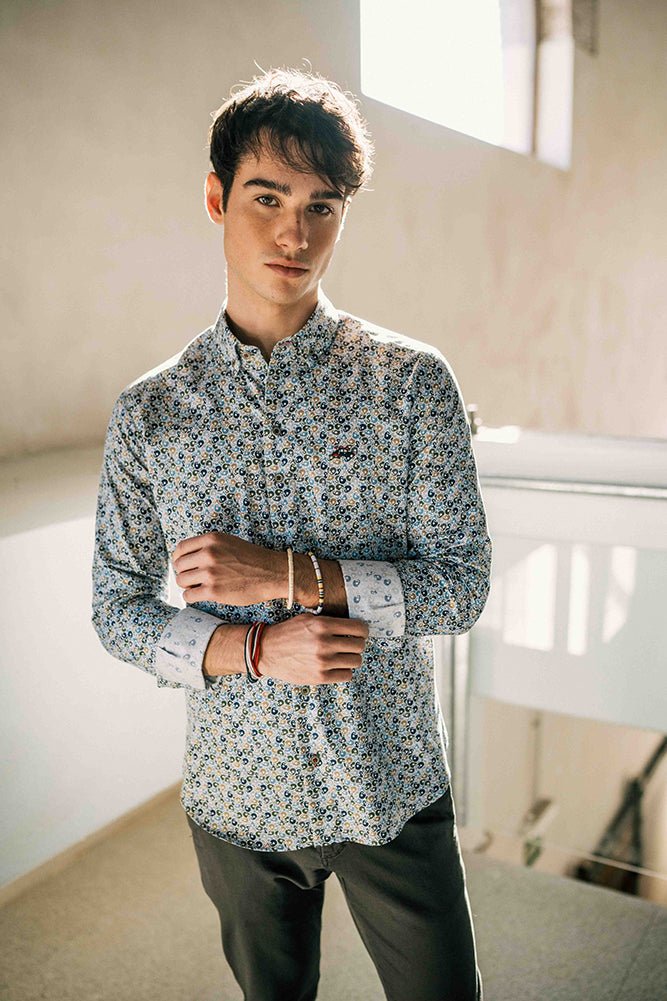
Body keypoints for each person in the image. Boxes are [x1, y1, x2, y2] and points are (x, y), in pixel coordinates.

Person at [91, 65, 492, 1001]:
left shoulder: (411, 384)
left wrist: (286, 573)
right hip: (239, 799)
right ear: (215, 198)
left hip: (390, 779)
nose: (293, 233)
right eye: (266, 197)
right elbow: (115, 606)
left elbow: (461, 585)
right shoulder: (152, 412)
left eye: (321, 206)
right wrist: (254, 649)